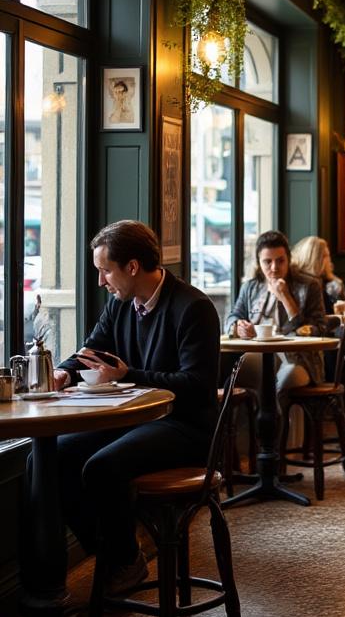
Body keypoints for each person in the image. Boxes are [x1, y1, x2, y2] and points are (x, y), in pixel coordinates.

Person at [48, 221, 220, 593]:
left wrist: (130, 374)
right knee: (52, 456)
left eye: (105, 270)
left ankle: (121, 561)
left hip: (186, 427)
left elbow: (199, 386)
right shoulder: (119, 305)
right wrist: (63, 372)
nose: (101, 281)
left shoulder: (194, 308)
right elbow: (91, 349)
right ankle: (121, 556)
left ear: (132, 267)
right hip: (137, 421)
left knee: (101, 467)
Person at [224, 230, 327, 392]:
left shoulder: (309, 286)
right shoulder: (250, 287)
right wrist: (238, 326)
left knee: (285, 380)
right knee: (234, 379)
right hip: (259, 355)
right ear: (259, 263)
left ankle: (273, 416)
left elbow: (320, 327)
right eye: (267, 262)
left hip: (299, 360)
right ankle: (254, 416)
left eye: (280, 261)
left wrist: (285, 297)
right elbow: (232, 317)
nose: (274, 268)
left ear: (289, 260)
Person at [292, 235, 345, 314]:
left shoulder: (330, 283)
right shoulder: (302, 284)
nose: (329, 260)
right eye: (326, 256)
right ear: (315, 259)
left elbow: (343, 313)